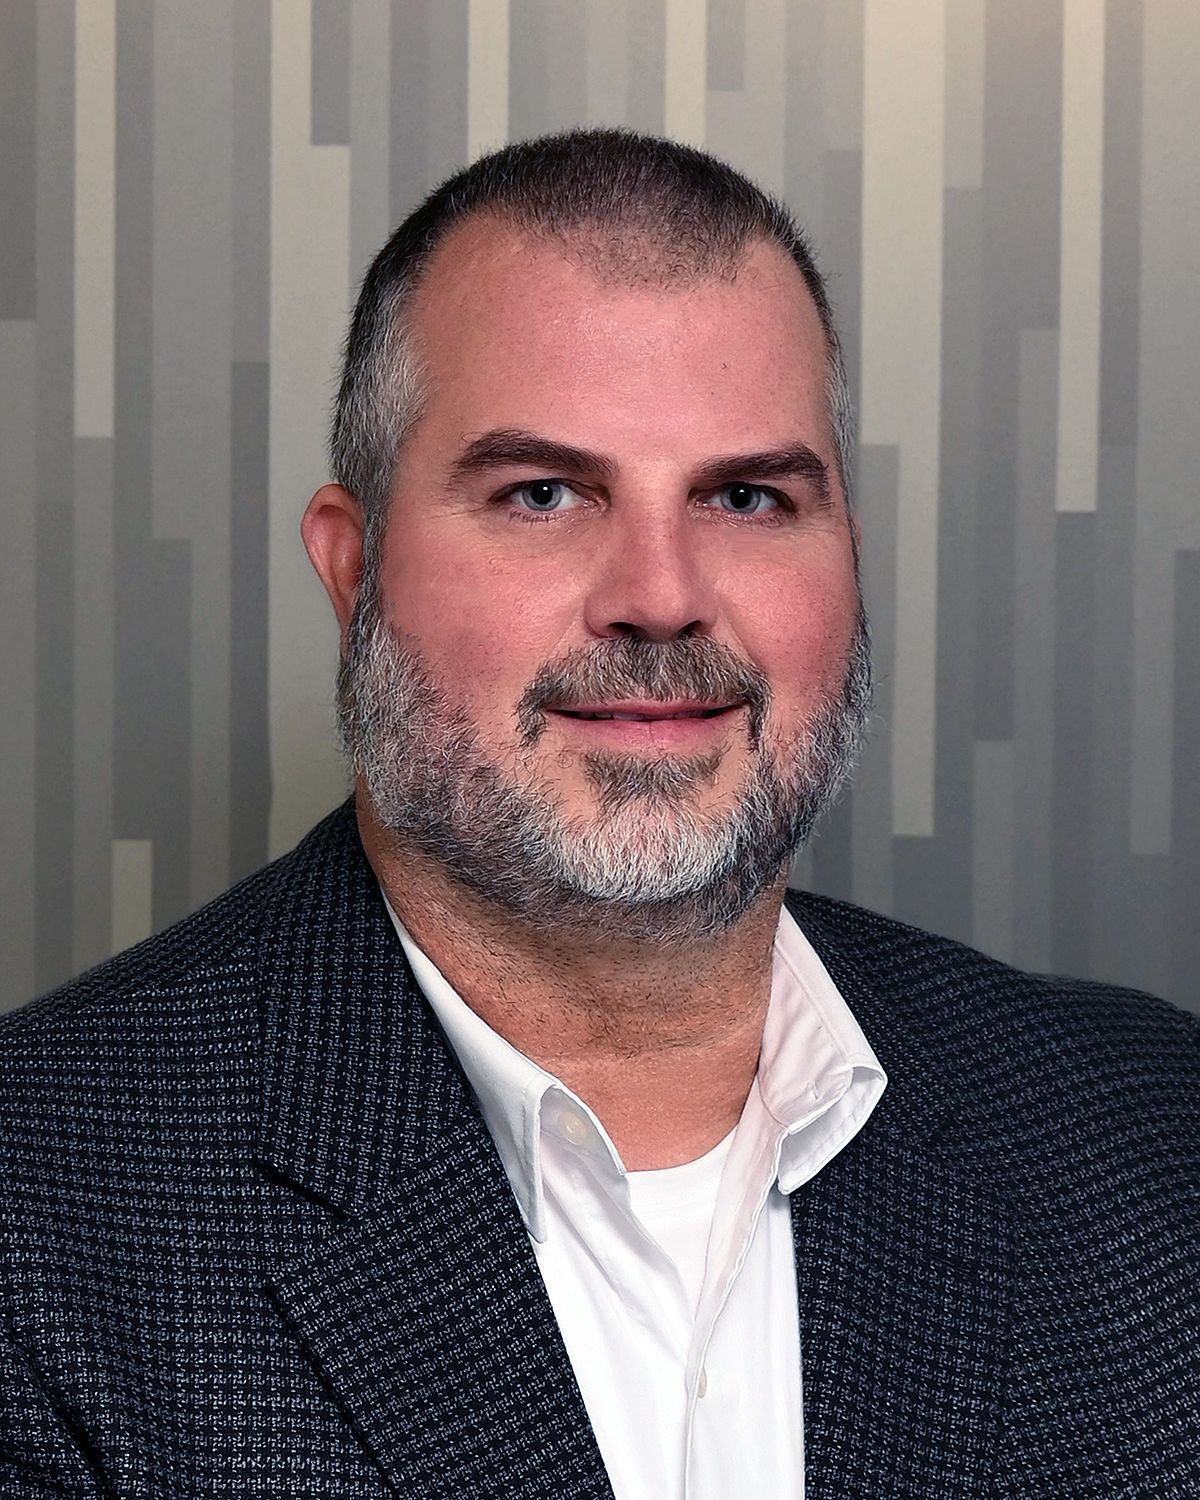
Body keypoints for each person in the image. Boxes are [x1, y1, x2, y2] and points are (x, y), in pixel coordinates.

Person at [0, 130, 1196, 1499]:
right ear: (353, 571)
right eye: (545, 494)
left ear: (850, 558)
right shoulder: (36, 1220)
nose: (660, 594)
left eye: (748, 496)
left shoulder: (1155, 1136)